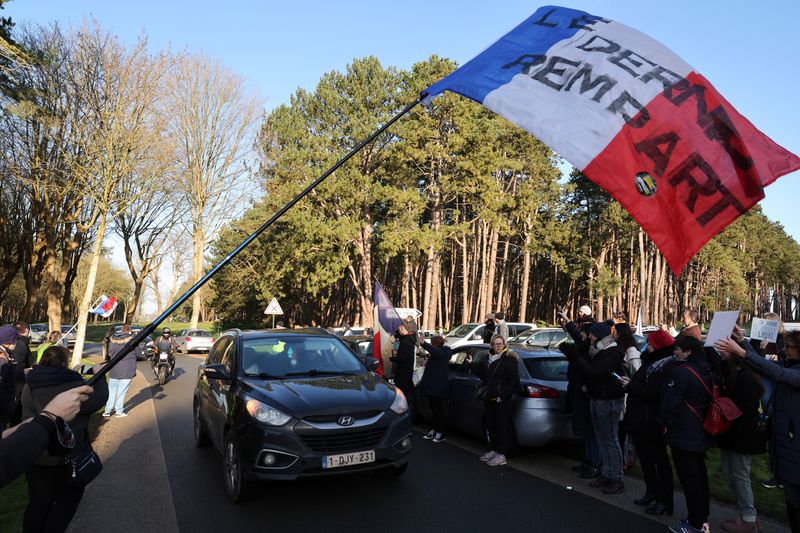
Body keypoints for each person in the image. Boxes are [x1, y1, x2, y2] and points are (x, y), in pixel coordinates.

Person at [21, 345, 108, 533]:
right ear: (64, 363)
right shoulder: (73, 385)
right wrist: (99, 376)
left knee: (38, 502)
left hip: (35, 455)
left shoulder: (31, 384)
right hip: (66, 457)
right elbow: (98, 399)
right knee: (66, 501)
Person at [719, 327, 800, 532]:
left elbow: (777, 372)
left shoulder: (793, 372)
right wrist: (743, 341)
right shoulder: (790, 366)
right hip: (787, 445)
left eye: (789, 347)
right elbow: (766, 367)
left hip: (794, 445)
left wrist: (741, 352)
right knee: (792, 501)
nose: (785, 350)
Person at [658, 336, 714, 533]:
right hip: (699, 430)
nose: (675, 352)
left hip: (683, 432)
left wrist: (663, 423)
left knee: (690, 480)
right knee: (699, 478)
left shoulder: (682, 372)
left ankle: (696, 524)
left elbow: (671, 403)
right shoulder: (705, 369)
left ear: (688, 352)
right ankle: (702, 517)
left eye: (678, 349)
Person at [565, 321, 627, 494]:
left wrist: (576, 359)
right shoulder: (599, 350)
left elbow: (594, 372)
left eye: (592, 334)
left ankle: (616, 477)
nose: (590, 337)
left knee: (611, 440)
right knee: (601, 438)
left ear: (600, 335)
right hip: (598, 398)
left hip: (609, 400)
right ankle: (606, 473)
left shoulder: (612, 353)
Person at [713, 332, 766, 533]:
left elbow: (746, 411)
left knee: (739, 475)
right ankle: (745, 514)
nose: (719, 349)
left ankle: (749, 519)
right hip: (731, 434)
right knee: (731, 473)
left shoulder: (745, 376)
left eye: (724, 345)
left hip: (741, 436)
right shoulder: (731, 371)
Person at [619, 329, 675, 516]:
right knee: (646, 459)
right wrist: (631, 383)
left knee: (658, 461)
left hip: (652, 420)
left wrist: (631, 386)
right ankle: (651, 492)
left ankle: (664, 499)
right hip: (641, 418)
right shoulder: (651, 361)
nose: (647, 345)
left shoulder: (665, 366)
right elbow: (642, 384)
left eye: (651, 343)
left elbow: (654, 393)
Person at [1, 385, 94, 487]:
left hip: (42, 461)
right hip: (51, 458)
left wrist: (36, 421)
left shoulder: (29, 385)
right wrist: (49, 417)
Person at [559, 312, 601, 480]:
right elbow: (577, 338)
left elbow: (579, 341)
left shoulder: (591, 351)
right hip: (578, 392)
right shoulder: (584, 347)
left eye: (586, 333)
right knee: (585, 430)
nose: (583, 335)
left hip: (586, 393)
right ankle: (588, 460)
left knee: (591, 431)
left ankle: (594, 463)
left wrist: (569, 323)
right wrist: (568, 324)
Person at [467, 334, 519, 467]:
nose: (498, 346)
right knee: (491, 425)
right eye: (495, 344)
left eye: (500, 344)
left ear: (504, 344)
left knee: (502, 427)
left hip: (501, 400)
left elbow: (514, 381)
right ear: (491, 345)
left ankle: (502, 455)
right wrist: (472, 365)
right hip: (489, 398)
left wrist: (503, 395)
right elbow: (485, 377)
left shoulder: (509, 359)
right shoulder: (489, 358)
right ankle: (494, 450)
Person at [418, 335, 452, 443]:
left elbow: (437, 353)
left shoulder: (445, 351)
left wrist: (424, 343)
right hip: (432, 386)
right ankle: (435, 429)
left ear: (435, 344)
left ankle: (441, 432)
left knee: (439, 410)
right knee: (433, 409)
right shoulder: (437, 353)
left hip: (439, 387)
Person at [102, 325, 140, 418]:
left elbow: (110, 353)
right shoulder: (133, 341)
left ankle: (107, 411)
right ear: (129, 332)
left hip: (114, 369)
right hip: (127, 370)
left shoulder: (113, 340)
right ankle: (119, 411)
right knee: (121, 391)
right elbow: (138, 354)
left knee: (112, 391)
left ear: (121, 331)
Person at [390, 325, 417, 418]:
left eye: (400, 329)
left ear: (404, 329)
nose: (399, 331)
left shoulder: (405, 342)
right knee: (408, 393)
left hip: (403, 373)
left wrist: (392, 358)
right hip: (407, 371)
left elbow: (402, 359)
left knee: (404, 395)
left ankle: (406, 414)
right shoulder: (411, 340)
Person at [11, 321, 33, 426]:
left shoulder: (18, 342)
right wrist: (29, 370)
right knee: (17, 415)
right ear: (27, 330)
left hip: (18, 384)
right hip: (19, 386)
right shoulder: (20, 344)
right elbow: (17, 367)